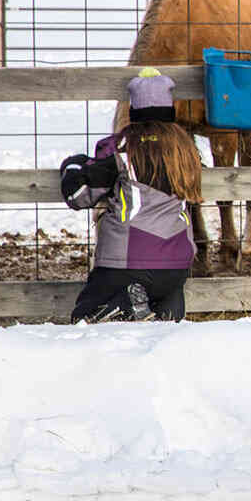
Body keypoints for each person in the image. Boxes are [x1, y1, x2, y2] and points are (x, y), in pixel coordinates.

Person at [59, 70, 203, 322]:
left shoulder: (120, 148)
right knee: (162, 331)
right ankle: (163, 309)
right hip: (176, 263)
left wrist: (73, 166)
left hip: (126, 261)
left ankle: (129, 302)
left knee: (84, 319)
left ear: (134, 109)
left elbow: (78, 195)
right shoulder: (186, 149)